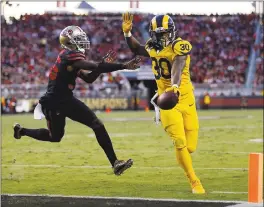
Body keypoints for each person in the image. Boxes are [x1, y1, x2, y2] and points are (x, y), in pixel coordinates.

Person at [13, 25, 141, 176]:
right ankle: (22, 131)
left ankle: (115, 163)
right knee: (55, 137)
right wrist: (122, 65)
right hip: (53, 102)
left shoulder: (69, 57)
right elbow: (93, 66)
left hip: (65, 99)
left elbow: (88, 78)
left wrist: (101, 67)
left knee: (97, 124)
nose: (83, 41)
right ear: (70, 42)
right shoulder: (69, 56)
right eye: (79, 39)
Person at [122, 13, 205, 193]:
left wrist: (175, 85)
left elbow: (178, 63)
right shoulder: (152, 46)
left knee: (190, 147)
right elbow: (137, 49)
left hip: (185, 98)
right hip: (166, 100)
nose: (163, 38)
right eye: (159, 34)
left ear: (173, 32)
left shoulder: (180, 45)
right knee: (179, 141)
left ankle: (186, 162)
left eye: (166, 33)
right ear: (153, 35)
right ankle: (194, 181)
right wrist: (127, 34)